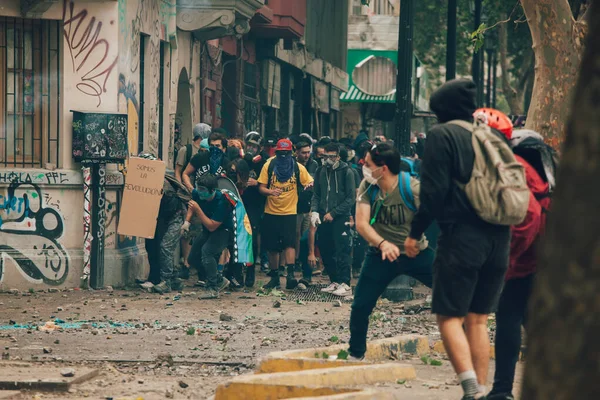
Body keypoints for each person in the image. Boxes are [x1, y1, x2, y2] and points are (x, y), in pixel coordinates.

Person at [404, 79, 511, 400]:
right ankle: (480, 391)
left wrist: (415, 233)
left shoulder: (442, 135)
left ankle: (469, 390)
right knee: (478, 320)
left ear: (441, 111)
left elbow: (433, 195)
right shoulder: (490, 135)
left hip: (463, 238)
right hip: (500, 238)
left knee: (449, 316)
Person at [476, 113, 552, 400]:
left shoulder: (512, 167)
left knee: (508, 317)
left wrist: (508, 258)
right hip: (538, 255)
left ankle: (502, 390)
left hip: (524, 259)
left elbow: (529, 216)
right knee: (530, 320)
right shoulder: (521, 165)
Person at [347, 143, 434, 360]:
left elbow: (433, 213)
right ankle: (356, 354)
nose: (364, 167)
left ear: (383, 168)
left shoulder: (412, 188)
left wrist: (414, 238)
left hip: (416, 254)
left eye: (368, 164)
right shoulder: (368, 186)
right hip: (380, 255)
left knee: (455, 291)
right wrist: (382, 243)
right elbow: (362, 224)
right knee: (360, 306)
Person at [258, 139, 313, 290]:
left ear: (291, 153)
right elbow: (261, 187)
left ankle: (290, 276)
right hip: (271, 212)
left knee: (290, 244)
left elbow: (309, 182)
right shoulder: (269, 165)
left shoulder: (297, 167)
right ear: (276, 153)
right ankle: (274, 277)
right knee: (272, 248)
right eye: (280, 153)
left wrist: (308, 187)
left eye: (286, 153)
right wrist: (270, 191)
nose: (283, 156)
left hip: (290, 212)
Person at [310, 143, 357, 297]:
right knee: (325, 248)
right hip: (323, 215)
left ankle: (345, 283)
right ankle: (334, 281)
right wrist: (315, 211)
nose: (328, 160)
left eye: (331, 157)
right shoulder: (320, 171)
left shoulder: (347, 172)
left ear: (338, 156)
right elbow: (316, 194)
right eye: (325, 156)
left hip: (340, 216)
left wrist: (334, 212)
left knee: (342, 250)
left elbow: (351, 198)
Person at [137, 153, 185, 294]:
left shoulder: (163, 184)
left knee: (164, 247)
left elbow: (169, 208)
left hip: (174, 217)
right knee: (151, 246)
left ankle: (166, 281)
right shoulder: (147, 183)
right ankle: (165, 279)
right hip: (160, 217)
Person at [182, 174, 233, 299]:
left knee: (207, 252)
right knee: (192, 258)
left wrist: (198, 210)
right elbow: (192, 205)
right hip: (207, 230)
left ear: (212, 190)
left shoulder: (223, 202)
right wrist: (187, 222)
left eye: (203, 190)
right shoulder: (197, 193)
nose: (200, 193)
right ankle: (218, 279)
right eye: (199, 189)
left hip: (223, 230)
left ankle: (212, 288)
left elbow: (212, 226)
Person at [294, 140, 319, 283]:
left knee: (306, 238)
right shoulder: (292, 165)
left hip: (310, 207)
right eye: (303, 152)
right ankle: (296, 263)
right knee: (296, 236)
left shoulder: (314, 165)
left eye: (308, 152)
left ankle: (307, 269)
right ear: (296, 152)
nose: (306, 155)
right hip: (295, 207)